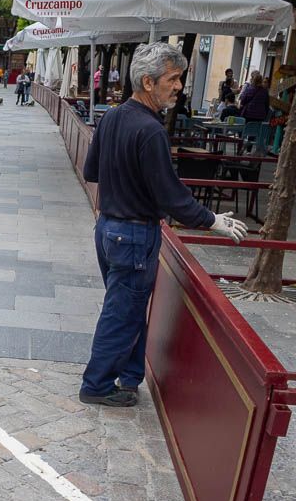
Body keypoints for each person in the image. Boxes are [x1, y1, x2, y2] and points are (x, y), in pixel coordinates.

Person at [78, 42, 248, 407]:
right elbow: (171, 196)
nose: (179, 86)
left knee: (128, 306)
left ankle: (129, 376)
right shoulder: (150, 131)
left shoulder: (111, 117)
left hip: (109, 230)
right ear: (147, 82)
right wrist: (212, 220)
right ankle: (96, 385)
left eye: (179, 78)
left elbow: (92, 171)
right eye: (172, 79)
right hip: (134, 234)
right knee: (122, 313)